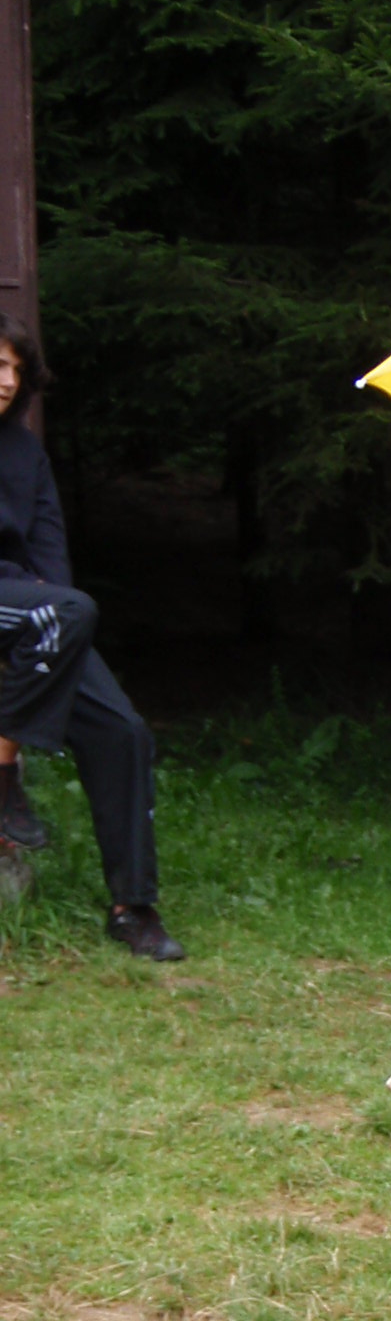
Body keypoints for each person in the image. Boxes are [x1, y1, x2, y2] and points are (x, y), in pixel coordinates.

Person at [0, 317, 182, 960]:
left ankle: (132, 907)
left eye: (14, 368)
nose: (5, 379)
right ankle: (2, 774)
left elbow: (50, 556)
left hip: (33, 613)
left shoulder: (25, 452)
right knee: (65, 612)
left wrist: (46, 617)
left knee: (122, 732)